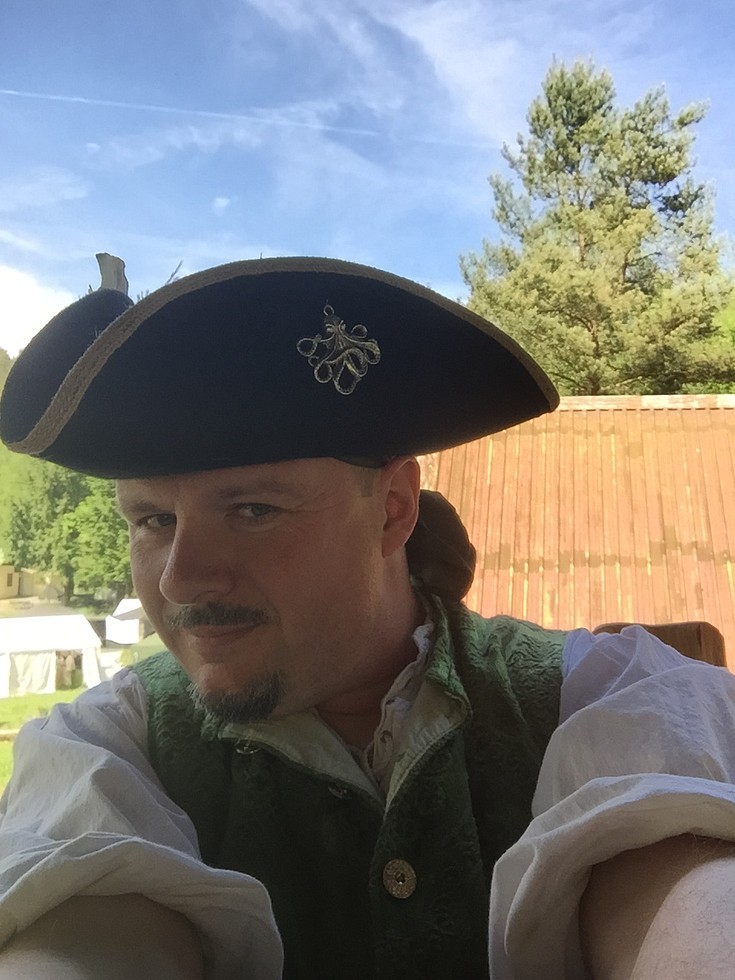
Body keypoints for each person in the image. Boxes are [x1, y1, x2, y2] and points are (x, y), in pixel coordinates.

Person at [0, 257, 735, 979]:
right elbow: (89, 936)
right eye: (154, 520)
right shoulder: (110, 749)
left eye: (253, 510)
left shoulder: (604, 698)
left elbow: (681, 891)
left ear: (392, 509)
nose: (180, 579)